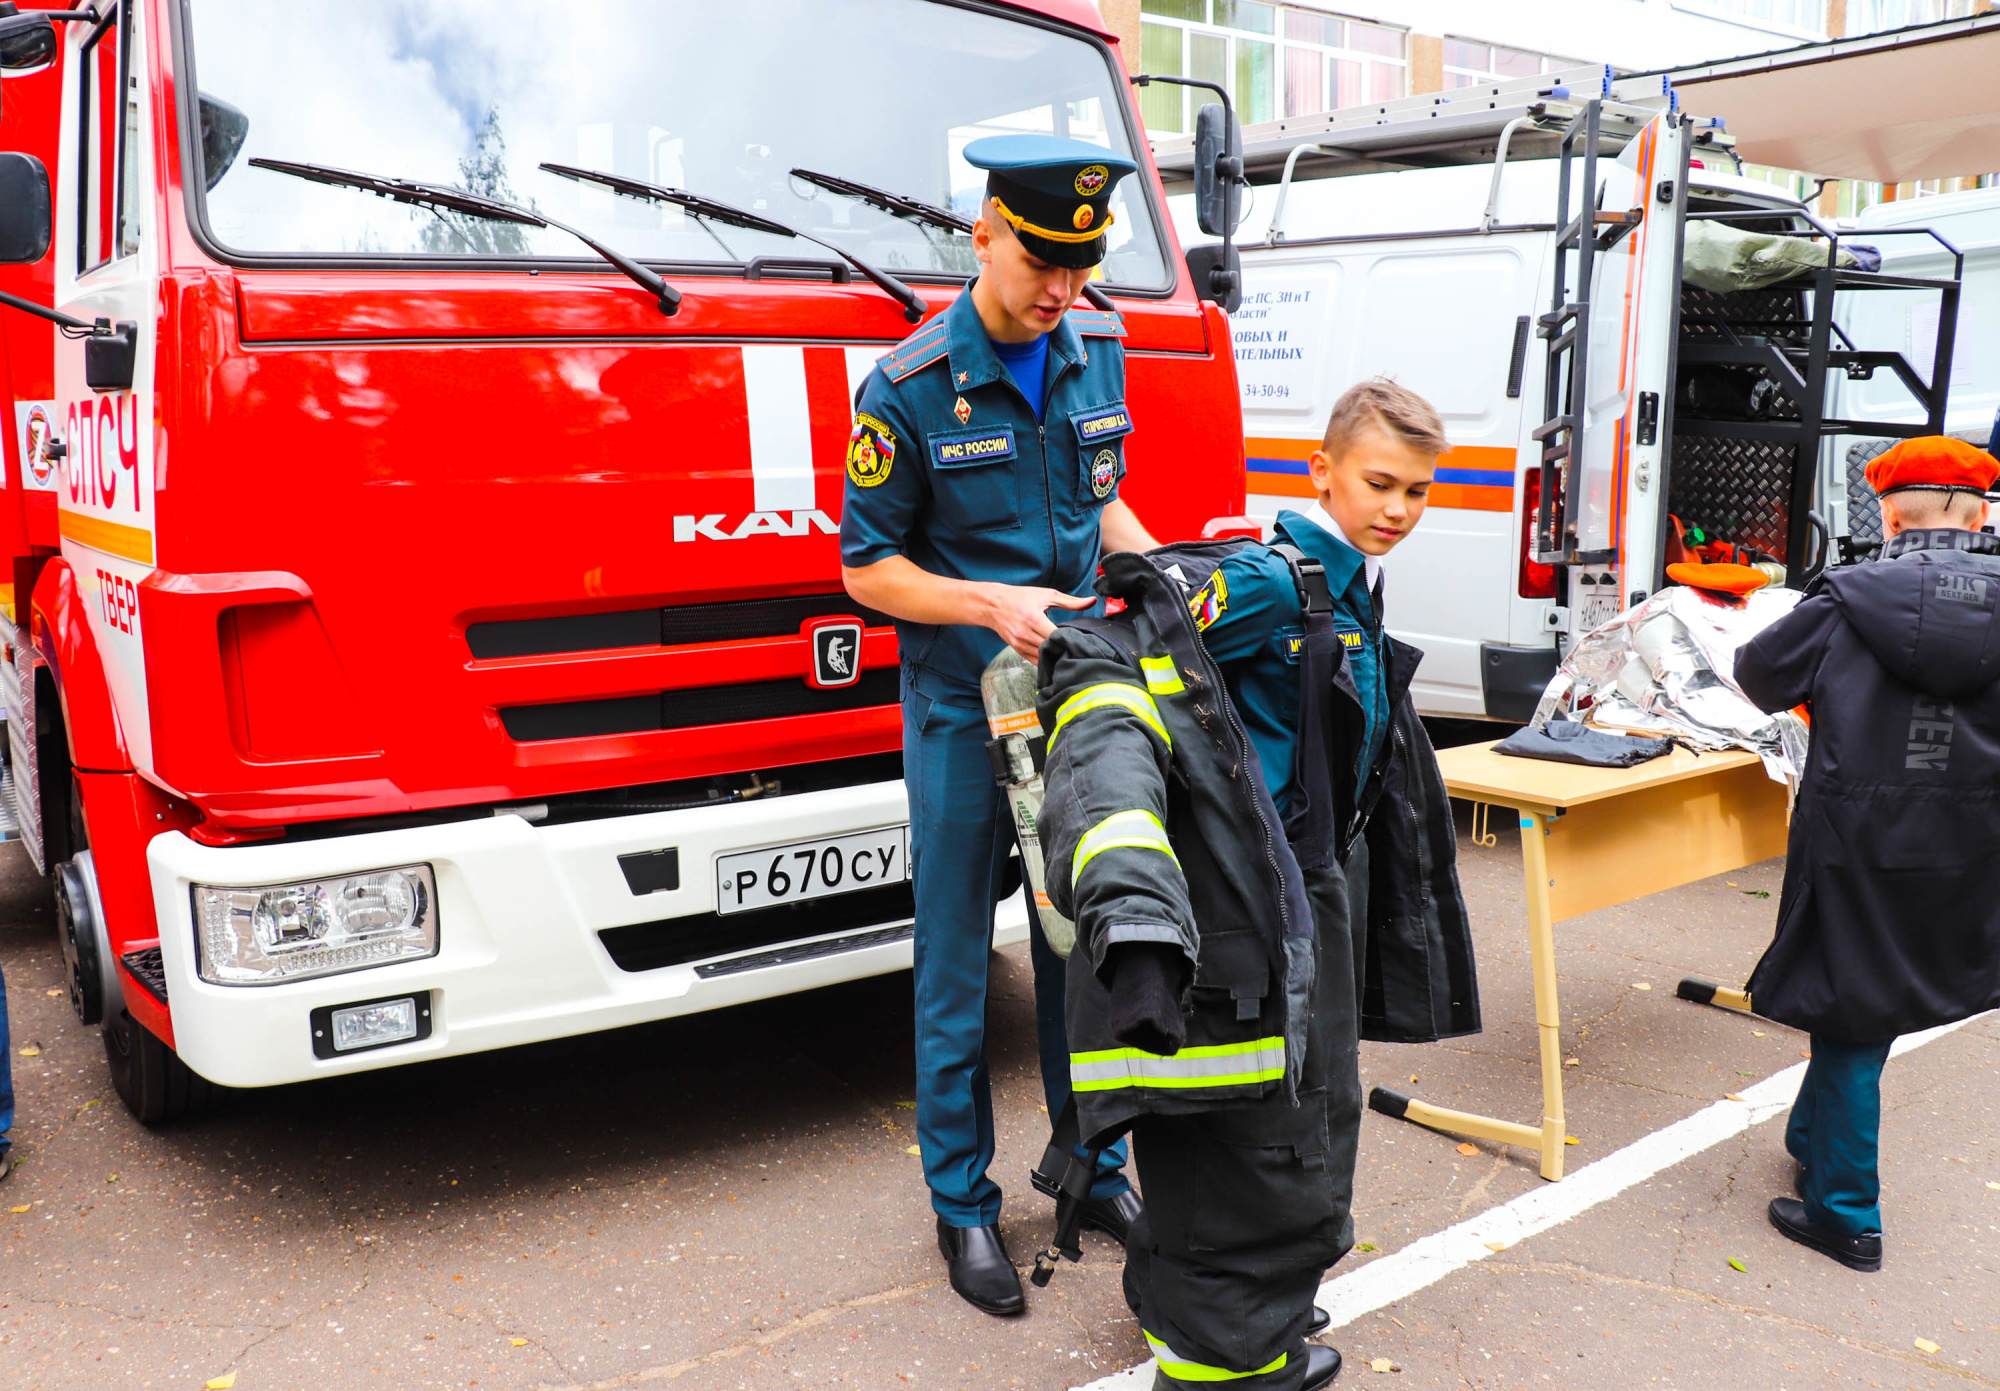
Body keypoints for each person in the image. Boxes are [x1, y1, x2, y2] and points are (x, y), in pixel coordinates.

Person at [1039, 379, 1480, 1389]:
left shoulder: (1348, 579)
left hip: (1315, 881)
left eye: (1419, 490)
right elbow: (1121, 640)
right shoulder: (1272, 579)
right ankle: (1222, 1360)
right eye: (1378, 483)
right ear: (1316, 470)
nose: (1398, 510)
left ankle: (1251, 1307)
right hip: (1258, 890)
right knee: (1259, 1127)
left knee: (1304, 1110)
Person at [840, 133, 1159, 1316]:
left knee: (1087, 941)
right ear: (981, 233)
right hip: (960, 711)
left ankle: (1096, 1165)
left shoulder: (1095, 346)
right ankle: (962, 1207)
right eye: (1041, 264)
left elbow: (1098, 494)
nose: (1062, 293)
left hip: (1077, 701)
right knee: (958, 970)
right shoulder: (909, 386)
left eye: (1081, 268)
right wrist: (985, 601)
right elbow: (866, 569)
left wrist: (1158, 567)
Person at [1734, 434, 2000, 1274]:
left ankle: (1846, 1213)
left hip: (1857, 838)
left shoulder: (1847, 597)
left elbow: (1758, 674)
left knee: (1851, 1008)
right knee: (1869, 998)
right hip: (1969, 842)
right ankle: (1811, 1139)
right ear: (1982, 513)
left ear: (1888, 514)